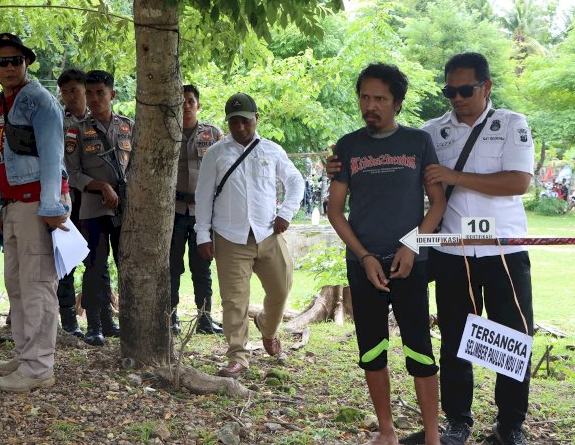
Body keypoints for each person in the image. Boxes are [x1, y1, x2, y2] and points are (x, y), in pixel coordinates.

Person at [328, 63, 445, 445]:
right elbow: (335, 210)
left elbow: (437, 204)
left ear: (397, 102)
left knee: (420, 350)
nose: (371, 105)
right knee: (373, 349)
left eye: (380, 98)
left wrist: (412, 246)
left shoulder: (418, 142)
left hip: (411, 263)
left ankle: (431, 436)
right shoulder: (347, 147)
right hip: (365, 266)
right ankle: (387, 432)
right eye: (365, 97)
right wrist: (363, 256)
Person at [422, 53, 534, 445]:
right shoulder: (432, 132)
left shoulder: (511, 124)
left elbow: (518, 182)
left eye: (465, 90)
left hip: (503, 250)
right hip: (453, 253)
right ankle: (457, 422)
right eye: (449, 90)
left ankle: (509, 425)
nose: (456, 98)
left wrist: (456, 176)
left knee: (513, 338)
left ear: (486, 87)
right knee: (455, 338)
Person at [0, 33, 70, 392]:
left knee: (36, 287)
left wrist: (52, 206)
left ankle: (38, 368)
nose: (8, 67)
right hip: (15, 204)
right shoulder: (4, 103)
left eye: (15, 60)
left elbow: (53, 156)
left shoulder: (38, 100)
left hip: (37, 203)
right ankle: (25, 354)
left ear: (26, 63)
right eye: (1, 61)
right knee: (17, 285)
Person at [195, 92, 303, 378]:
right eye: (234, 122)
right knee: (234, 300)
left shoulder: (272, 150)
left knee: (281, 288)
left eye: (245, 121)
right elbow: (203, 196)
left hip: (269, 233)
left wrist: (286, 213)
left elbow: (295, 181)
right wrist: (202, 235)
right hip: (230, 237)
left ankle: (267, 328)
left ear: (256, 119)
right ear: (228, 123)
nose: (240, 127)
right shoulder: (216, 153)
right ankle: (238, 356)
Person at [64, 70, 132, 346]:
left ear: (112, 94)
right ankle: (94, 326)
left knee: (127, 265)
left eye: (100, 93)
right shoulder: (76, 130)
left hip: (126, 211)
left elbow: (137, 164)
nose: (94, 98)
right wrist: (101, 186)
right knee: (94, 266)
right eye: (89, 93)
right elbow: (72, 172)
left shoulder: (128, 126)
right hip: (93, 210)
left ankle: (125, 321)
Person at [169, 84, 223, 335]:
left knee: (202, 266)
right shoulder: (166, 132)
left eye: (190, 101)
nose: (186, 105)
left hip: (204, 213)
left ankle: (204, 318)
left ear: (198, 105)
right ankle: (171, 318)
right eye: (181, 102)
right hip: (175, 211)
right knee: (172, 267)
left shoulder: (212, 134)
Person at [57, 68, 89, 338]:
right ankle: (69, 320)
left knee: (95, 259)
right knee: (65, 261)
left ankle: (98, 320)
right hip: (65, 202)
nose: (69, 96)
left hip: (92, 201)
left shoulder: (98, 121)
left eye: (74, 90)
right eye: (65, 92)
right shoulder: (56, 121)